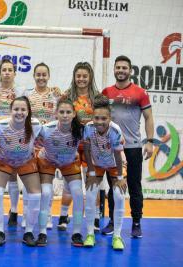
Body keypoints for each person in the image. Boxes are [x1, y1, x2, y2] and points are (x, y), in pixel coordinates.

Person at [102, 55, 154, 238]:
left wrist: (150, 141)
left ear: (130, 71)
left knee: (134, 186)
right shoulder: (106, 92)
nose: (121, 70)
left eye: (124, 68)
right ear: (114, 69)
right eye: (118, 67)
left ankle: (137, 223)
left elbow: (148, 117)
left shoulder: (140, 93)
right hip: (111, 148)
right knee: (113, 186)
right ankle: (113, 221)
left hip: (132, 148)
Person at [0, 96, 42, 246]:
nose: (19, 112)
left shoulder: (36, 125)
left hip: (25, 161)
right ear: (10, 111)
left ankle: (29, 232)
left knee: (36, 194)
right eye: (16, 109)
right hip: (4, 161)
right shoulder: (0, 126)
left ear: (28, 111)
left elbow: (51, 136)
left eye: (23, 109)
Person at [36, 97, 84, 247]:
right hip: (48, 161)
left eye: (68, 112)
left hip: (69, 162)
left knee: (77, 193)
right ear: (56, 113)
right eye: (61, 112)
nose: (65, 115)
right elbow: (32, 142)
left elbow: (91, 145)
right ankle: (42, 232)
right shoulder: (46, 129)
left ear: (74, 114)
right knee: (46, 192)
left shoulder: (81, 130)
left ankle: (76, 232)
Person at [59, 61, 100, 231]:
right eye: (78, 76)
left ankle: (96, 218)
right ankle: (63, 216)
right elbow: (60, 117)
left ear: (90, 78)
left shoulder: (97, 98)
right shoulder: (67, 96)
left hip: (92, 146)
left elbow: (104, 120)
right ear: (74, 77)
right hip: (72, 146)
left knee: (93, 182)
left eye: (84, 76)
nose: (81, 79)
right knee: (69, 184)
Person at [83, 94, 127, 250]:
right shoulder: (88, 128)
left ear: (110, 118)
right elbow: (87, 151)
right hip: (97, 163)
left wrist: (120, 177)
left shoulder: (115, 131)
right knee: (89, 194)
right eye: (97, 118)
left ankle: (117, 236)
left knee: (119, 196)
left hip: (116, 164)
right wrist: (92, 172)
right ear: (92, 117)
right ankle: (89, 234)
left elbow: (117, 154)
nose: (100, 122)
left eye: (104, 119)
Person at [21, 62, 61, 229]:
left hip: (49, 147)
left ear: (49, 76)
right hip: (30, 146)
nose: (41, 77)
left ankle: (48, 216)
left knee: (47, 186)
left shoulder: (56, 96)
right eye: (38, 74)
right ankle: (26, 215)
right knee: (28, 184)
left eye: (44, 74)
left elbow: (63, 116)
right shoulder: (27, 95)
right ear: (34, 76)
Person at [0, 58, 24, 226]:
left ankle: (14, 210)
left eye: (10, 70)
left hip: (13, 136)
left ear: (15, 73)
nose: (7, 72)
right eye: (4, 70)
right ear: (0, 73)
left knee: (13, 175)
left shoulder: (20, 92)